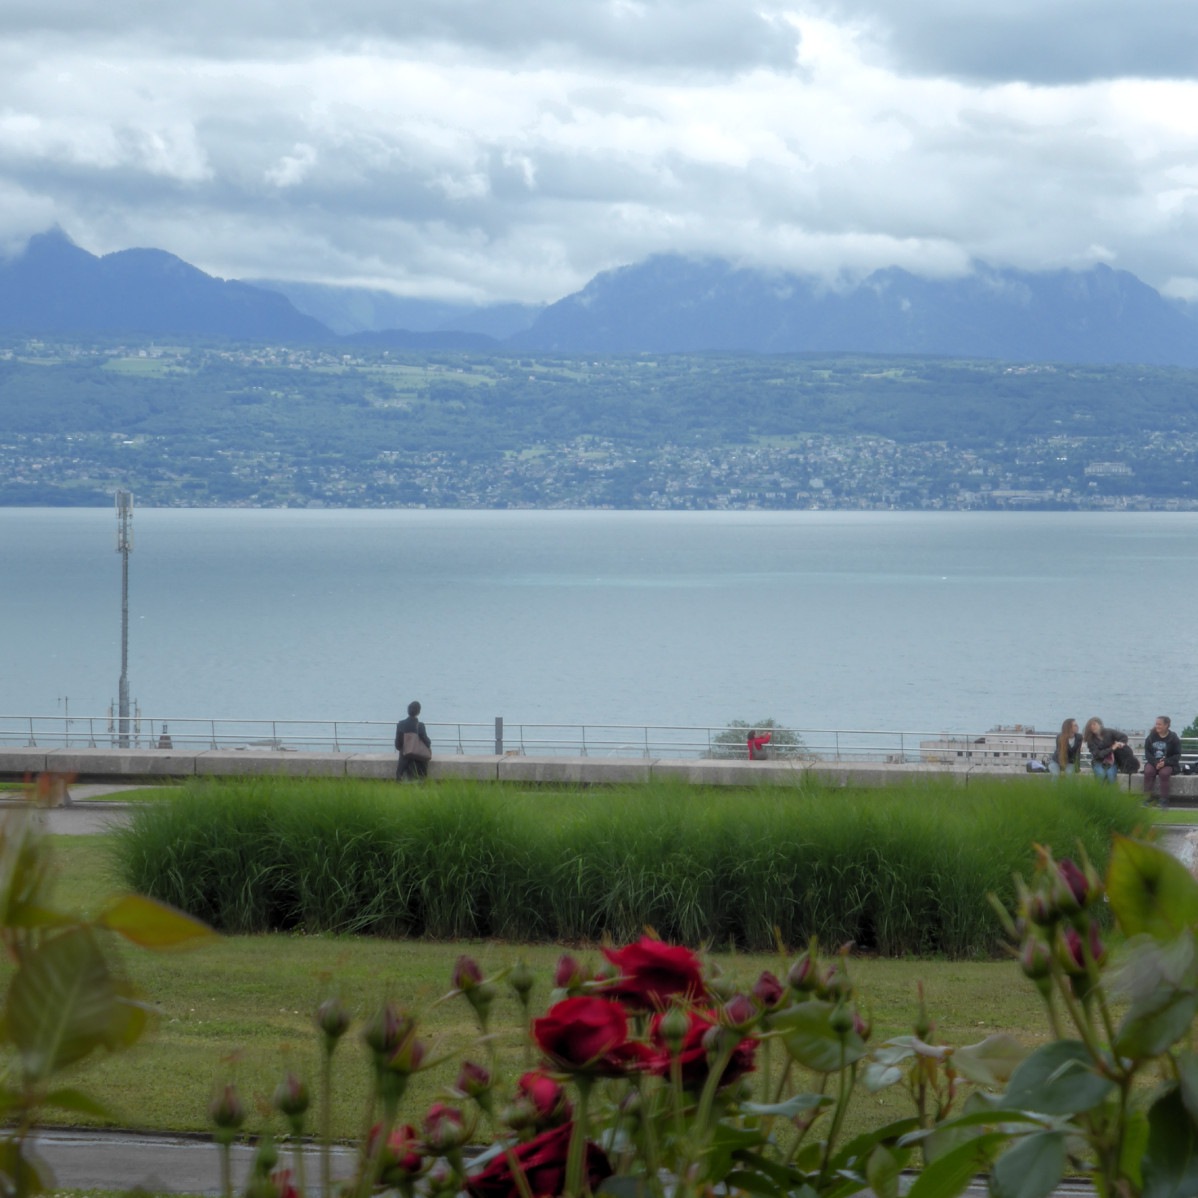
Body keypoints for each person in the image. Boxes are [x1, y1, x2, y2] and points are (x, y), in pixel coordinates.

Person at [1143, 715, 1182, 808]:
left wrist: (1165, 762)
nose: (1157, 726)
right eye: (1156, 724)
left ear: (1166, 725)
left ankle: (1164, 800)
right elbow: (1147, 753)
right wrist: (1155, 763)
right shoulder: (1151, 737)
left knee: (1164, 773)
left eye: (1159, 724)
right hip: (1154, 762)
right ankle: (1147, 798)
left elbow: (1177, 755)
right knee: (1148, 771)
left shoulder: (1173, 738)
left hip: (1168, 763)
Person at [394, 700, 432, 781]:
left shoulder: (400, 724)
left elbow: (397, 745)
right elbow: (427, 743)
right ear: (418, 712)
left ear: (408, 711)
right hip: (419, 765)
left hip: (404, 764)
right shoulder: (420, 726)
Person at [1083, 717, 1127, 784]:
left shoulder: (1109, 732)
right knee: (1101, 775)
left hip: (1111, 761)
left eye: (1094, 724)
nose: (1092, 727)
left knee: (1111, 775)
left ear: (1100, 724)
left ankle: (1111, 793)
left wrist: (1119, 744)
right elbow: (1098, 755)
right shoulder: (1090, 740)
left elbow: (1123, 737)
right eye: (1090, 725)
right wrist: (1112, 748)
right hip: (1098, 761)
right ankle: (1100, 793)